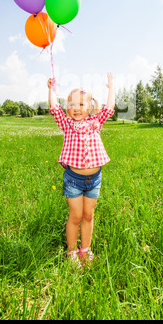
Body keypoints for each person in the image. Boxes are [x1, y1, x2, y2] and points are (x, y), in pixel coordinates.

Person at [48, 73, 115, 266]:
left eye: (81, 104)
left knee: (88, 215)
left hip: (94, 179)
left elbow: (110, 108)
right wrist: (51, 89)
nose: (76, 109)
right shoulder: (67, 124)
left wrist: (111, 87)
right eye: (72, 105)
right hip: (73, 180)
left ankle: (85, 250)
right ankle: (71, 251)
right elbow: (54, 108)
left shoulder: (96, 122)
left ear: (90, 107)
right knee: (75, 216)